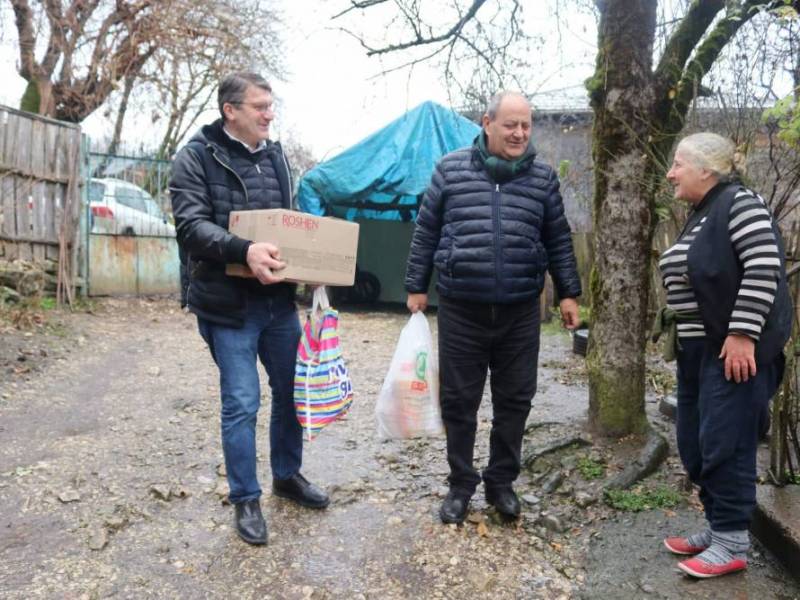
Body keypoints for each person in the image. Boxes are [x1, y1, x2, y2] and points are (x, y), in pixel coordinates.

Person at [404, 91, 582, 524]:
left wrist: (568, 293)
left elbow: (558, 237)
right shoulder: (450, 170)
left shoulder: (542, 178)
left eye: (526, 126)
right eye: (510, 125)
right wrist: (416, 286)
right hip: (462, 308)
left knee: (515, 400)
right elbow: (426, 231)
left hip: (520, 311)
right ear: (487, 123)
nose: (520, 133)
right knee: (459, 400)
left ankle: (501, 482)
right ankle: (460, 484)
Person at [169, 72, 329, 546]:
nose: (269, 115)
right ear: (230, 110)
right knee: (241, 402)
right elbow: (191, 227)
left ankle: (287, 475)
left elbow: (289, 223)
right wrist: (244, 250)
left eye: (270, 106)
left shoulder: (276, 156)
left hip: (277, 302)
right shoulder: (196, 157)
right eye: (260, 106)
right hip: (228, 307)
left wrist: (314, 266)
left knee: (291, 392)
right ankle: (245, 497)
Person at [655, 132, 791, 578]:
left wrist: (742, 333)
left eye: (678, 164)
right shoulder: (704, 212)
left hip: (732, 350)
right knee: (696, 442)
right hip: (698, 352)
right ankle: (719, 528)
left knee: (726, 442)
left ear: (706, 170)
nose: (670, 174)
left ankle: (732, 543)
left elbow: (764, 264)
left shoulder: (739, 203)